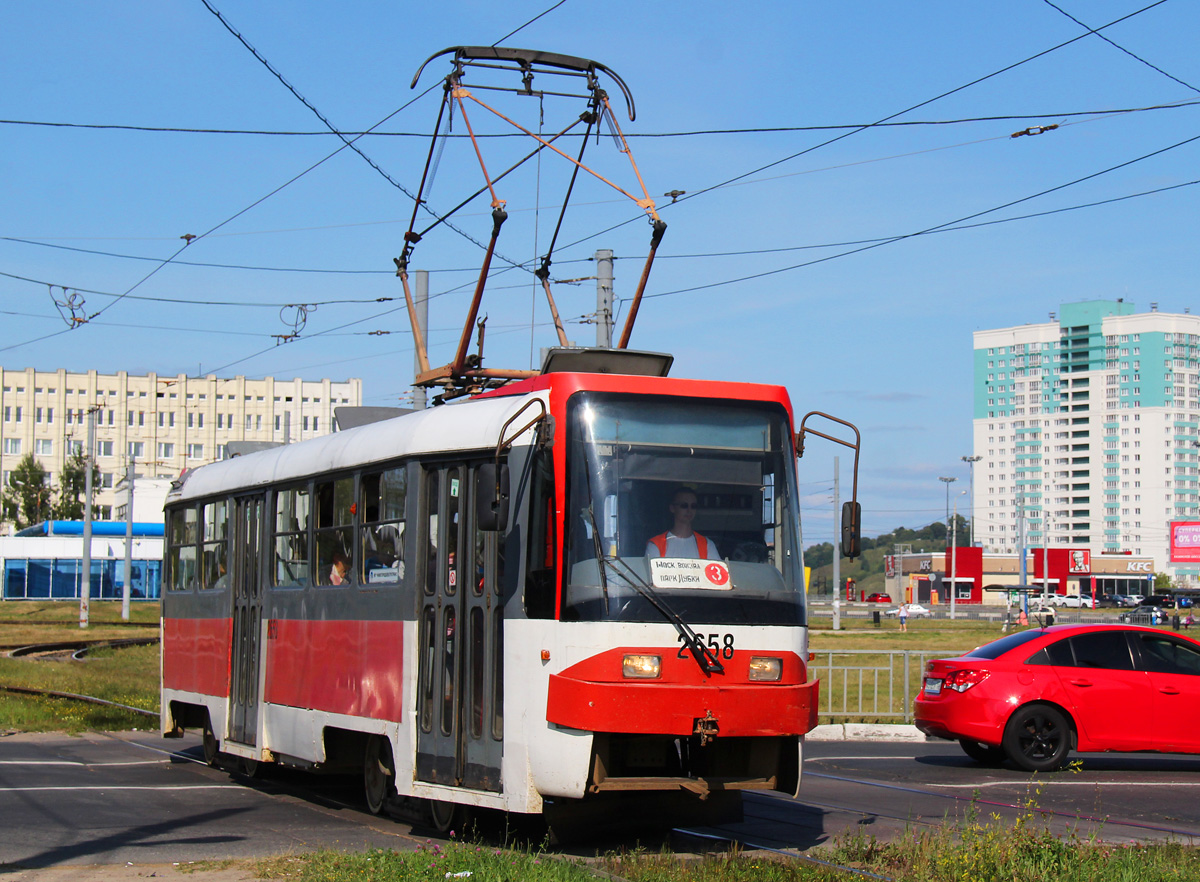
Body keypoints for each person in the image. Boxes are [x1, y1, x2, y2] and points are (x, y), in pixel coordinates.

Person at [645, 487, 720, 560]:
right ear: (672, 508)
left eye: (693, 506)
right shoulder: (656, 544)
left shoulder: (707, 545)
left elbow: (717, 571)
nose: (689, 510)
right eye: (684, 505)